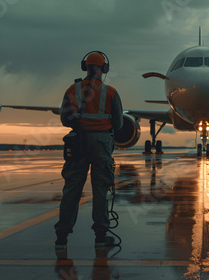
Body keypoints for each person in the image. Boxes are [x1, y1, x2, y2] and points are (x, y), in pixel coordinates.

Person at [54, 51, 123, 248]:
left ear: (85, 67)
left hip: (78, 143)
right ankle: (101, 236)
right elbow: (118, 124)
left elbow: (64, 119)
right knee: (101, 190)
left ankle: (62, 237)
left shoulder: (71, 90)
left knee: (72, 189)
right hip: (101, 144)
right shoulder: (111, 92)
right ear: (105, 68)